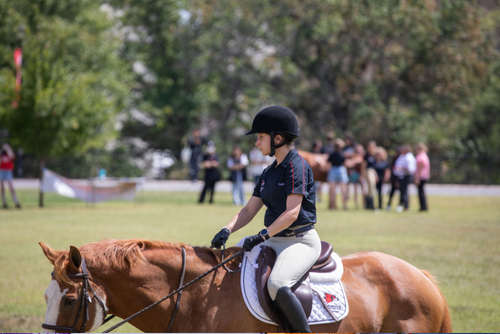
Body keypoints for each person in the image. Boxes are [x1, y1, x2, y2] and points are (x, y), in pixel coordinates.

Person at [211, 105, 320, 333]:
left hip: (299, 241)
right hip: (272, 239)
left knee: (277, 285)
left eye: (260, 137)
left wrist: (262, 235)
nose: (256, 143)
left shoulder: (296, 166)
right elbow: (249, 210)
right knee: (229, 267)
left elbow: (292, 213)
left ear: (277, 138)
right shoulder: (269, 172)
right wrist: (227, 229)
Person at [325, 139, 348, 210]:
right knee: (343, 190)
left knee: (332, 190)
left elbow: (328, 163)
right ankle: (344, 206)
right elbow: (345, 163)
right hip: (341, 170)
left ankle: (332, 206)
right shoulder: (342, 154)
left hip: (333, 170)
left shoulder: (331, 154)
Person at [393, 144, 416, 212]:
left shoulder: (409, 157)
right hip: (401, 176)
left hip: (406, 176)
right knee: (402, 191)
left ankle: (406, 207)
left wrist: (401, 169)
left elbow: (410, 169)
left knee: (405, 192)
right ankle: (401, 205)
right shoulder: (403, 156)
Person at [0, 143, 21, 209]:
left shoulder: (10, 152)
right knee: (2, 188)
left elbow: (13, 158)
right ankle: (4, 203)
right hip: (2, 170)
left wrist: (8, 150)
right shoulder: (2, 154)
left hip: (8, 171)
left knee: (11, 187)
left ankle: (16, 202)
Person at [414, 143, 430, 212]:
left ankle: (423, 207)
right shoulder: (424, 155)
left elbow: (420, 168)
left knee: (421, 192)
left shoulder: (420, 156)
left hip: (421, 176)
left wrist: (417, 178)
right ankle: (424, 207)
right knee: (422, 192)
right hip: (424, 175)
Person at [363, 140, 377, 210]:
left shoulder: (374, 155)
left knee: (372, 188)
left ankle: (370, 205)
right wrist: (363, 174)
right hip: (368, 171)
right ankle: (370, 205)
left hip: (373, 172)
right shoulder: (367, 155)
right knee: (370, 187)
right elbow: (364, 165)